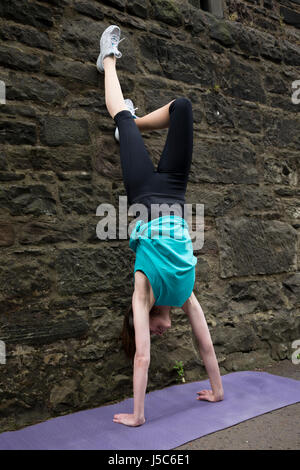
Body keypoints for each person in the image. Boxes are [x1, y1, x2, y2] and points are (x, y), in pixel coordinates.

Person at [97, 25, 224, 427]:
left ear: (145, 318)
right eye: (154, 331)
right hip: (173, 190)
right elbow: (204, 343)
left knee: (121, 114)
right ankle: (131, 126)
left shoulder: (143, 288)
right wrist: (218, 390)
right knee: (183, 107)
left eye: (149, 329)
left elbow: (143, 356)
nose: (159, 333)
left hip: (141, 192)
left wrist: (137, 415)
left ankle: (108, 62)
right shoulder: (185, 293)